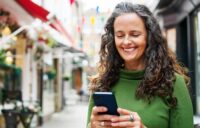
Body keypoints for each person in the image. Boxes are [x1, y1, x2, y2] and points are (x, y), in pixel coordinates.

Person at [86, 2, 194, 128]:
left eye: (135, 34)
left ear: (149, 37)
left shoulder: (173, 83)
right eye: (120, 35)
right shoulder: (102, 84)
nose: (126, 42)